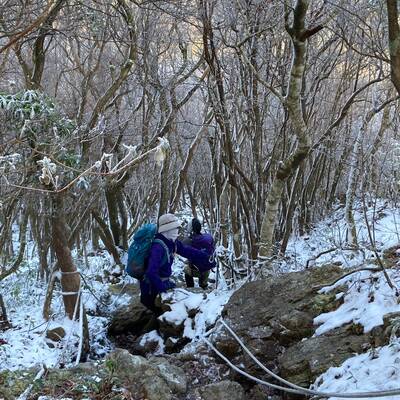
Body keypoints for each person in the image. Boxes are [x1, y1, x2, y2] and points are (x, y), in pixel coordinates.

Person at [140, 213, 215, 316]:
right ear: (166, 230)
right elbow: (151, 272)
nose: (177, 231)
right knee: (156, 310)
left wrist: (205, 256)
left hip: (162, 280)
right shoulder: (157, 247)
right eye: (175, 228)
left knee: (161, 311)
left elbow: (187, 251)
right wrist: (162, 288)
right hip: (150, 286)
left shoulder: (172, 242)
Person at [184, 218, 215, 290]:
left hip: (197, 269)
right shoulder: (208, 237)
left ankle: (190, 288)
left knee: (186, 270)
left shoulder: (189, 240)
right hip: (208, 268)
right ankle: (204, 285)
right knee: (203, 269)